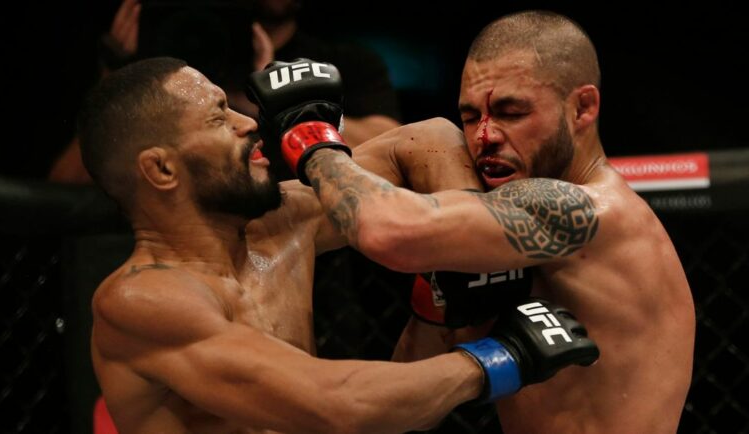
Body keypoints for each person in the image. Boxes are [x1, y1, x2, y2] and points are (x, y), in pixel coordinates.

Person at [83, 56, 598, 433]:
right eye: (219, 118)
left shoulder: (281, 224)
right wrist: (502, 357)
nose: (249, 122)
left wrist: (459, 259)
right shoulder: (141, 301)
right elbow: (335, 403)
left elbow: (425, 140)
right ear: (161, 169)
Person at [248, 10, 696, 434]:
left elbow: (387, 232)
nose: (485, 136)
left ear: (582, 108)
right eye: (470, 116)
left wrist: (309, 135)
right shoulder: (509, 232)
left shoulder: (586, 212)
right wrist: (438, 297)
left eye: (511, 113)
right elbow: (408, 408)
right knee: (429, 138)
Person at [48, 0, 401, 184]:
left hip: (317, 276)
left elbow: (392, 147)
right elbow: (67, 184)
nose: (244, 126)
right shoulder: (151, 61)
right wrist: (117, 81)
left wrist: (278, 104)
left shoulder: (343, 62)